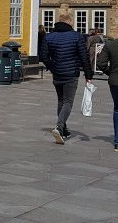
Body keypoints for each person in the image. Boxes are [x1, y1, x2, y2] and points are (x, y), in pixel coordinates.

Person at [39, 13, 93, 144]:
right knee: (68, 102)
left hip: (57, 74)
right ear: (69, 22)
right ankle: (59, 126)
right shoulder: (76, 36)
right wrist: (88, 75)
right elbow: (84, 57)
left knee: (61, 101)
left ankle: (63, 129)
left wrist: (52, 67)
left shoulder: (49, 37)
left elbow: (43, 55)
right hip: (71, 73)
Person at [96, 37, 118, 151]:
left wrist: (111, 72)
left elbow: (100, 63)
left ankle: (117, 141)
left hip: (115, 81)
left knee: (117, 109)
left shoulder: (110, 45)